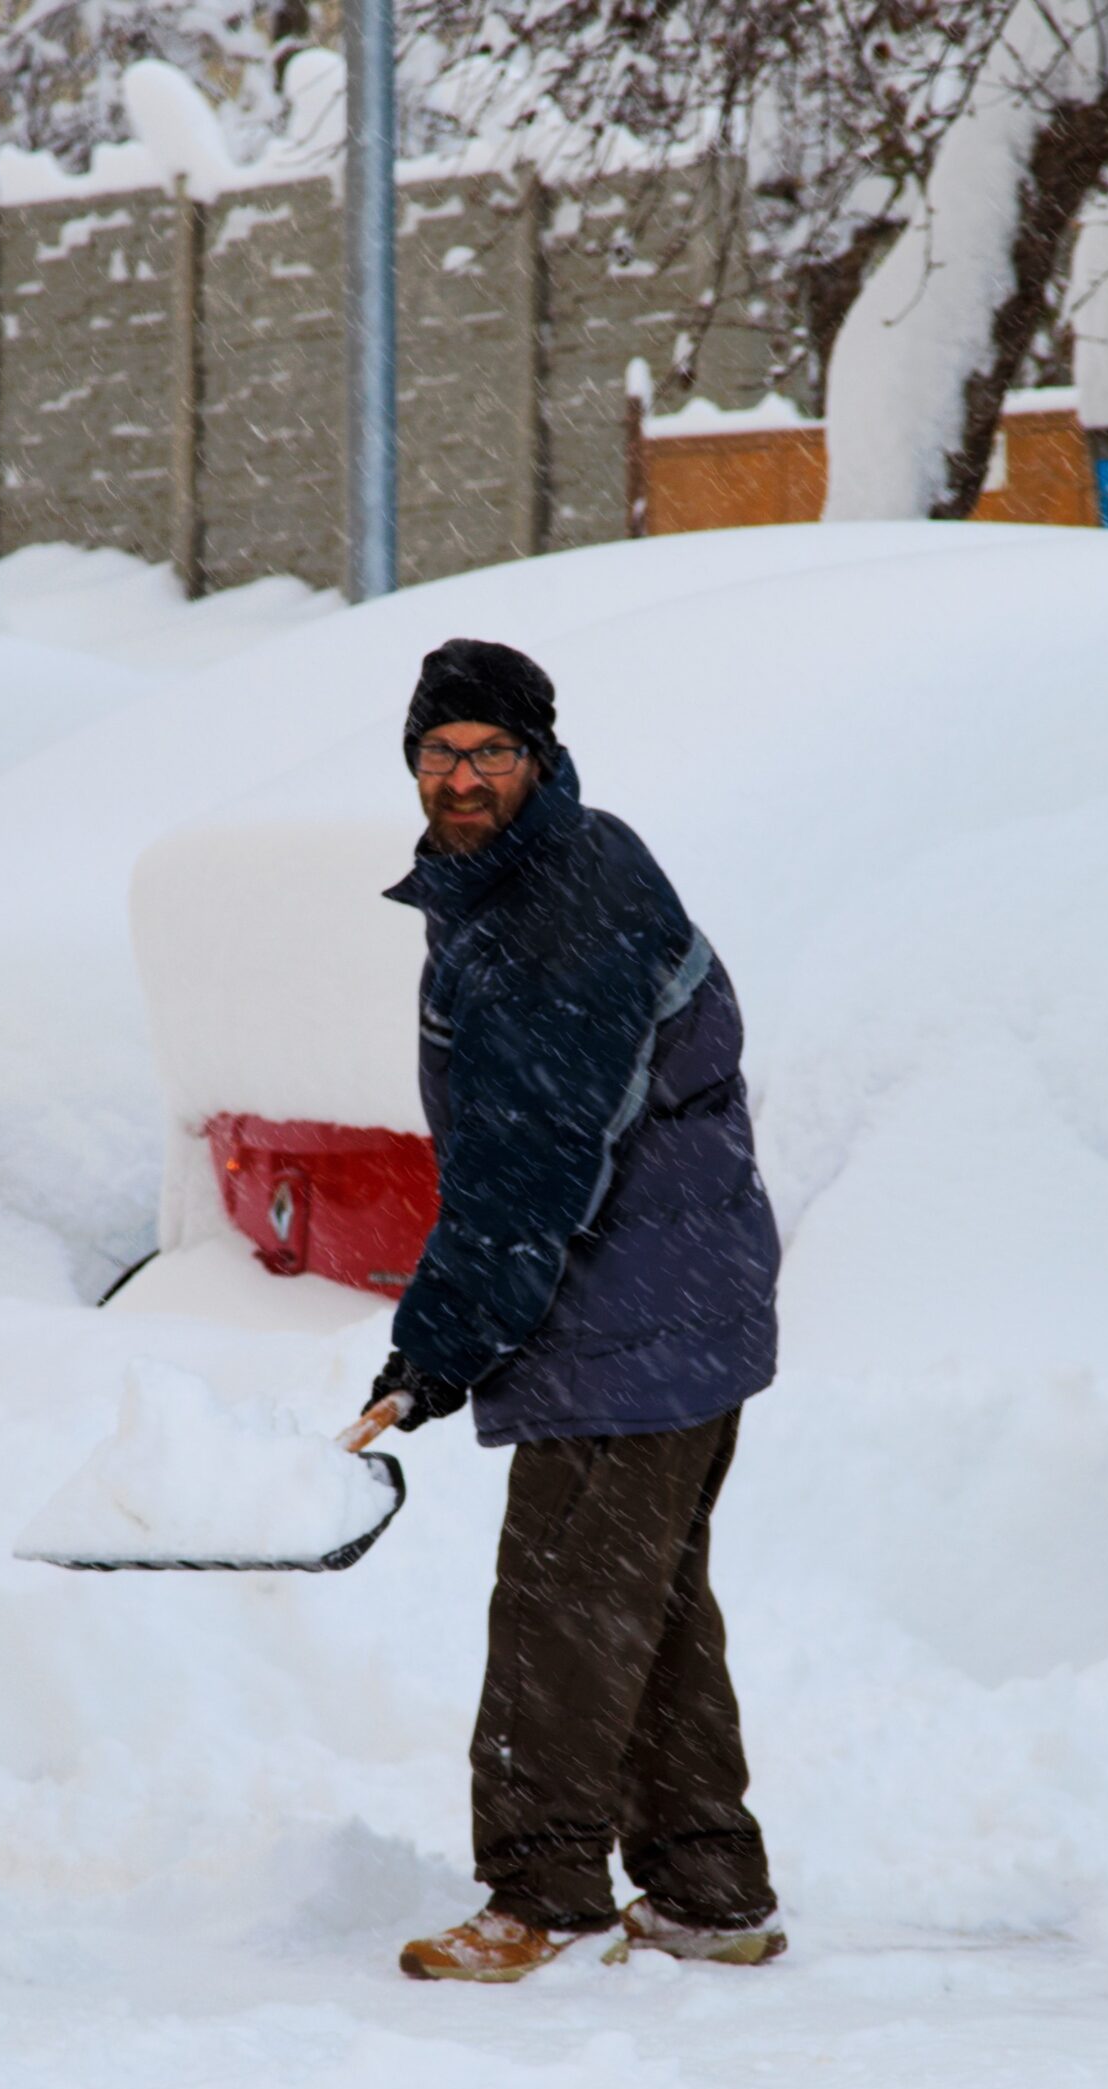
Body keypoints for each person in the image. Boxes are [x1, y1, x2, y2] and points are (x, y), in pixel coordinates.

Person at [370, 638, 784, 1982]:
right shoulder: (535, 876)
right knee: (640, 1606)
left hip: (632, 1317)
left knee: (559, 1605)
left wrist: (432, 1356)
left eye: (491, 752)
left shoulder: (561, 902)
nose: (463, 777)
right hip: (673, 1301)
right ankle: (709, 1890)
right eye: (440, 754)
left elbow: (531, 1169)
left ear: (538, 760)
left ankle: (542, 1895)